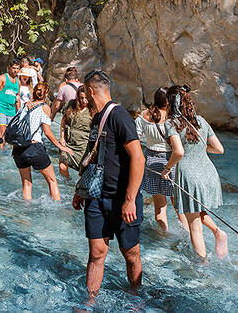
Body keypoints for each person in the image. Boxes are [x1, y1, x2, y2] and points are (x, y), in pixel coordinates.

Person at [72, 69, 145, 302]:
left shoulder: (120, 116)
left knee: (131, 254)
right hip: (96, 197)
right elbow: (93, 155)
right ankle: (90, 302)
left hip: (122, 200)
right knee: (96, 253)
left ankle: (135, 298)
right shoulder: (97, 118)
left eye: (85, 93)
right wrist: (80, 189)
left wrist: (130, 199)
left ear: (90, 91)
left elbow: (139, 158)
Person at [161, 84, 228, 259]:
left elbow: (178, 152)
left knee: (194, 226)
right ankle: (218, 233)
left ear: (170, 103)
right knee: (196, 212)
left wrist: (167, 169)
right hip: (208, 174)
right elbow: (219, 149)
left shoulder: (171, 123)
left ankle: (201, 267)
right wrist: (198, 150)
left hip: (189, 176)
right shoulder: (201, 120)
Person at [135, 87, 187, 232]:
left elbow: (135, 139)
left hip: (152, 162)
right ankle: (187, 236)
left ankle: (164, 235)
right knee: (179, 206)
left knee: (159, 208)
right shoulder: (173, 118)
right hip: (172, 162)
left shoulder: (143, 116)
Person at [12, 82, 71, 201]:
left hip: (18, 149)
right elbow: (47, 132)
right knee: (52, 180)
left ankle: (25, 213)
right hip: (34, 147)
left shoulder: (25, 105)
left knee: (26, 184)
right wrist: (61, 147)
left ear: (34, 92)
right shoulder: (45, 107)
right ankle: (58, 211)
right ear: (46, 94)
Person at [59, 85, 93, 178]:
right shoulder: (71, 105)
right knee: (62, 166)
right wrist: (62, 137)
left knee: (83, 172)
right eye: (81, 98)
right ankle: (67, 183)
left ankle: (75, 189)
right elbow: (63, 120)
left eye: (86, 98)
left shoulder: (93, 109)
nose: (84, 100)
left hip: (83, 146)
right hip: (68, 143)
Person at [0, 60, 21, 149]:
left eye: (17, 68)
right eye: (14, 68)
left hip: (11, 110)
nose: (15, 70)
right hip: (1, 108)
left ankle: (9, 154)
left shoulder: (18, 82)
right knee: (2, 132)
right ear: (9, 68)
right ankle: (0, 154)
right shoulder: (3, 78)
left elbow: (17, 98)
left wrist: (19, 112)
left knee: (11, 134)